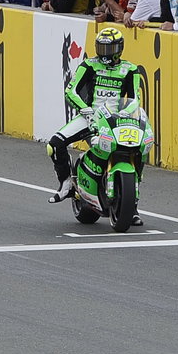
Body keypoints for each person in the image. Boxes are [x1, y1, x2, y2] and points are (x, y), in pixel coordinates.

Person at [47, 26, 142, 221]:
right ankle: (66, 183)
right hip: (90, 116)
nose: (103, 53)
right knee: (54, 145)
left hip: (117, 119)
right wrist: (85, 109)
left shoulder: (131, 69)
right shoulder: (89, 65)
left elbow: (135, 99)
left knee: (136, 149)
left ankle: (132, 206)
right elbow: (70, 91)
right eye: (101, 48)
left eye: (108, 49)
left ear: (118, 49)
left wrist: (125, 113)